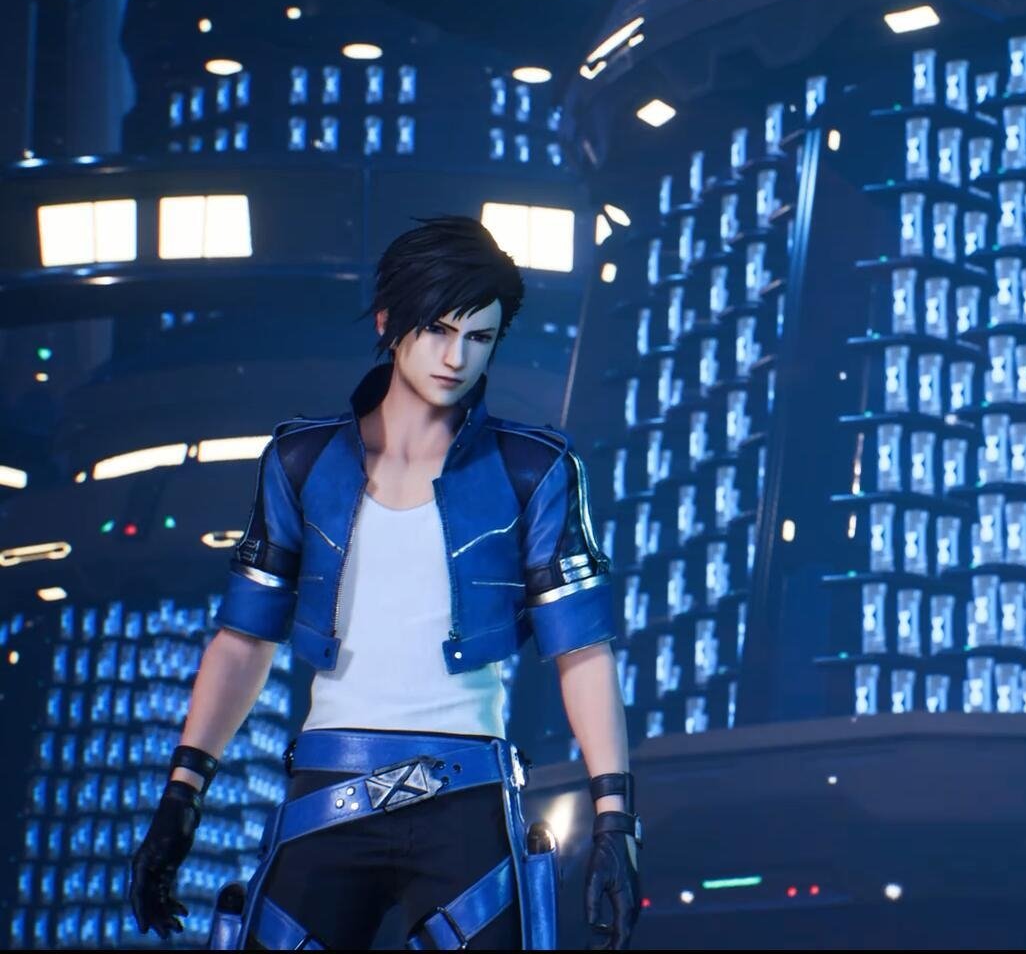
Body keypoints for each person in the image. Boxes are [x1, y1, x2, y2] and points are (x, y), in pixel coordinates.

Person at [124, 216, 643, 949]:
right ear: (388, 323)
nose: (457, 357)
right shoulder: (302, 461)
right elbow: (243, 641)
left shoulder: (534, 468)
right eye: (438, 330)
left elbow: (582, 652)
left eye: (480, 337)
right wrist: (182, 796)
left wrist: (616, 821)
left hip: (467, 800)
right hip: (327, 793)